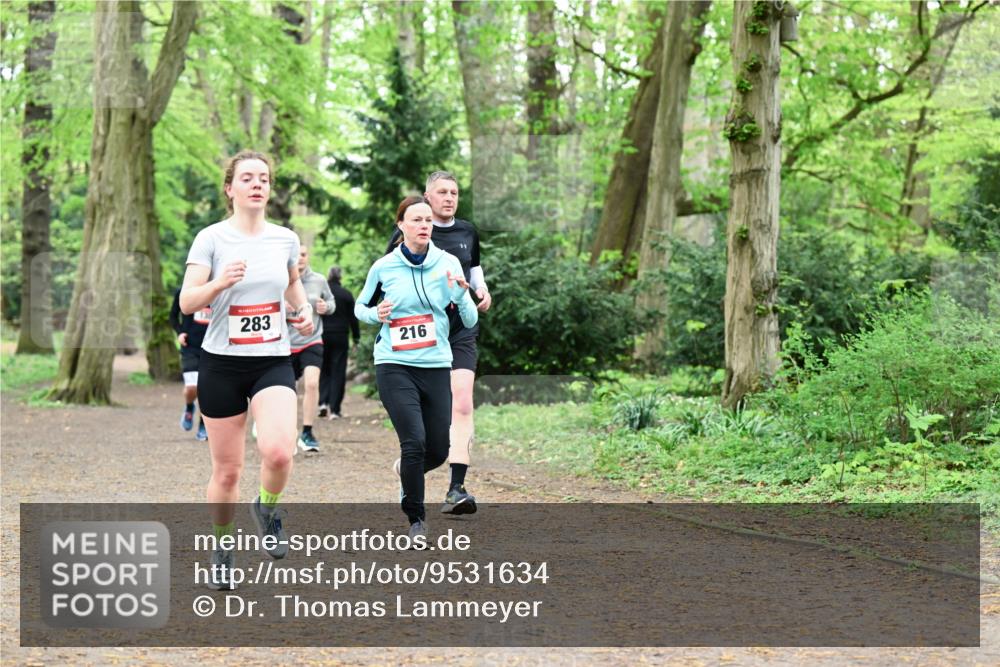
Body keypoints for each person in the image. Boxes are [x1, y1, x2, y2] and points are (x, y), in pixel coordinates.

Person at [180, 150, 314, 590]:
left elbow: (292, 282)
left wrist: (303, 310)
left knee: (279, 451)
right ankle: (222, 548)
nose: (257, 184)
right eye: (248, 178)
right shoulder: (212, 239)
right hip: (221, 364)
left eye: (264, 178)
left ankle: (267, 508)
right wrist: (220, 283)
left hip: (271, 360)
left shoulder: (284, 239)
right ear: (230, 188)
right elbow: (187, 302)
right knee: (228, 471)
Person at [358, 196, 478, 539]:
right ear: (402, 226)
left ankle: (406, 474)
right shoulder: (384, 267)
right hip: (394, 363)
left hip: (437, 364)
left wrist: (460, 297)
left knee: (439, 449)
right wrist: (375, 314)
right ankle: (416, 520)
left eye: (428, 220)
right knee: (414, 442)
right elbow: (360, 308)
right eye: (417, 220)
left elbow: (468, 319)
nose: (425, 225)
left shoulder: (449, 263)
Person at [385, 171, 491, 515]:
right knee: (430, 415)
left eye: (455, 192)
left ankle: (456, 488)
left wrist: (482, 291)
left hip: (459, 329)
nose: (449, 198)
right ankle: (411, 467)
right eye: (442, 192)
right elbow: (389, 278)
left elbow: (474, 269)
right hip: (420, 334)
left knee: (462, 402)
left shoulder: (467, 231)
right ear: (427, 197)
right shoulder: (406, 233)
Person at [287, 245, 335, 453]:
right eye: (296, 255)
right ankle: (286, 431)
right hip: (285, 343)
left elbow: (331, 302)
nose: (300, 259)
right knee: (286, 392)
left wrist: (327, 307)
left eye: (304, 254)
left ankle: (307, 432)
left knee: (312, 384)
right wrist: (283, 309)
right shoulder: (280, 279)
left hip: (312, 340)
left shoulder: (319, 280)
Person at [169, 287, 210, 441]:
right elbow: (173, 316)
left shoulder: (219, 290)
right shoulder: (183, 291)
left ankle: (203, 425)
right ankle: (189, 406)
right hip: (190, 347)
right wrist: (180, 332)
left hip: (211, 348)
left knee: (207, 391)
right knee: (192, 387)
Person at [319, 266, 360, 420]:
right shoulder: (346, 294)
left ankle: (323, 402)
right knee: (338, 371)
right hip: (341, 336)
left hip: (322, 335)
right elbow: (353, 319)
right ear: (340, 277)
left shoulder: (322, 294)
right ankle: (335, 410)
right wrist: (356, 338)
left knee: (324, 369)